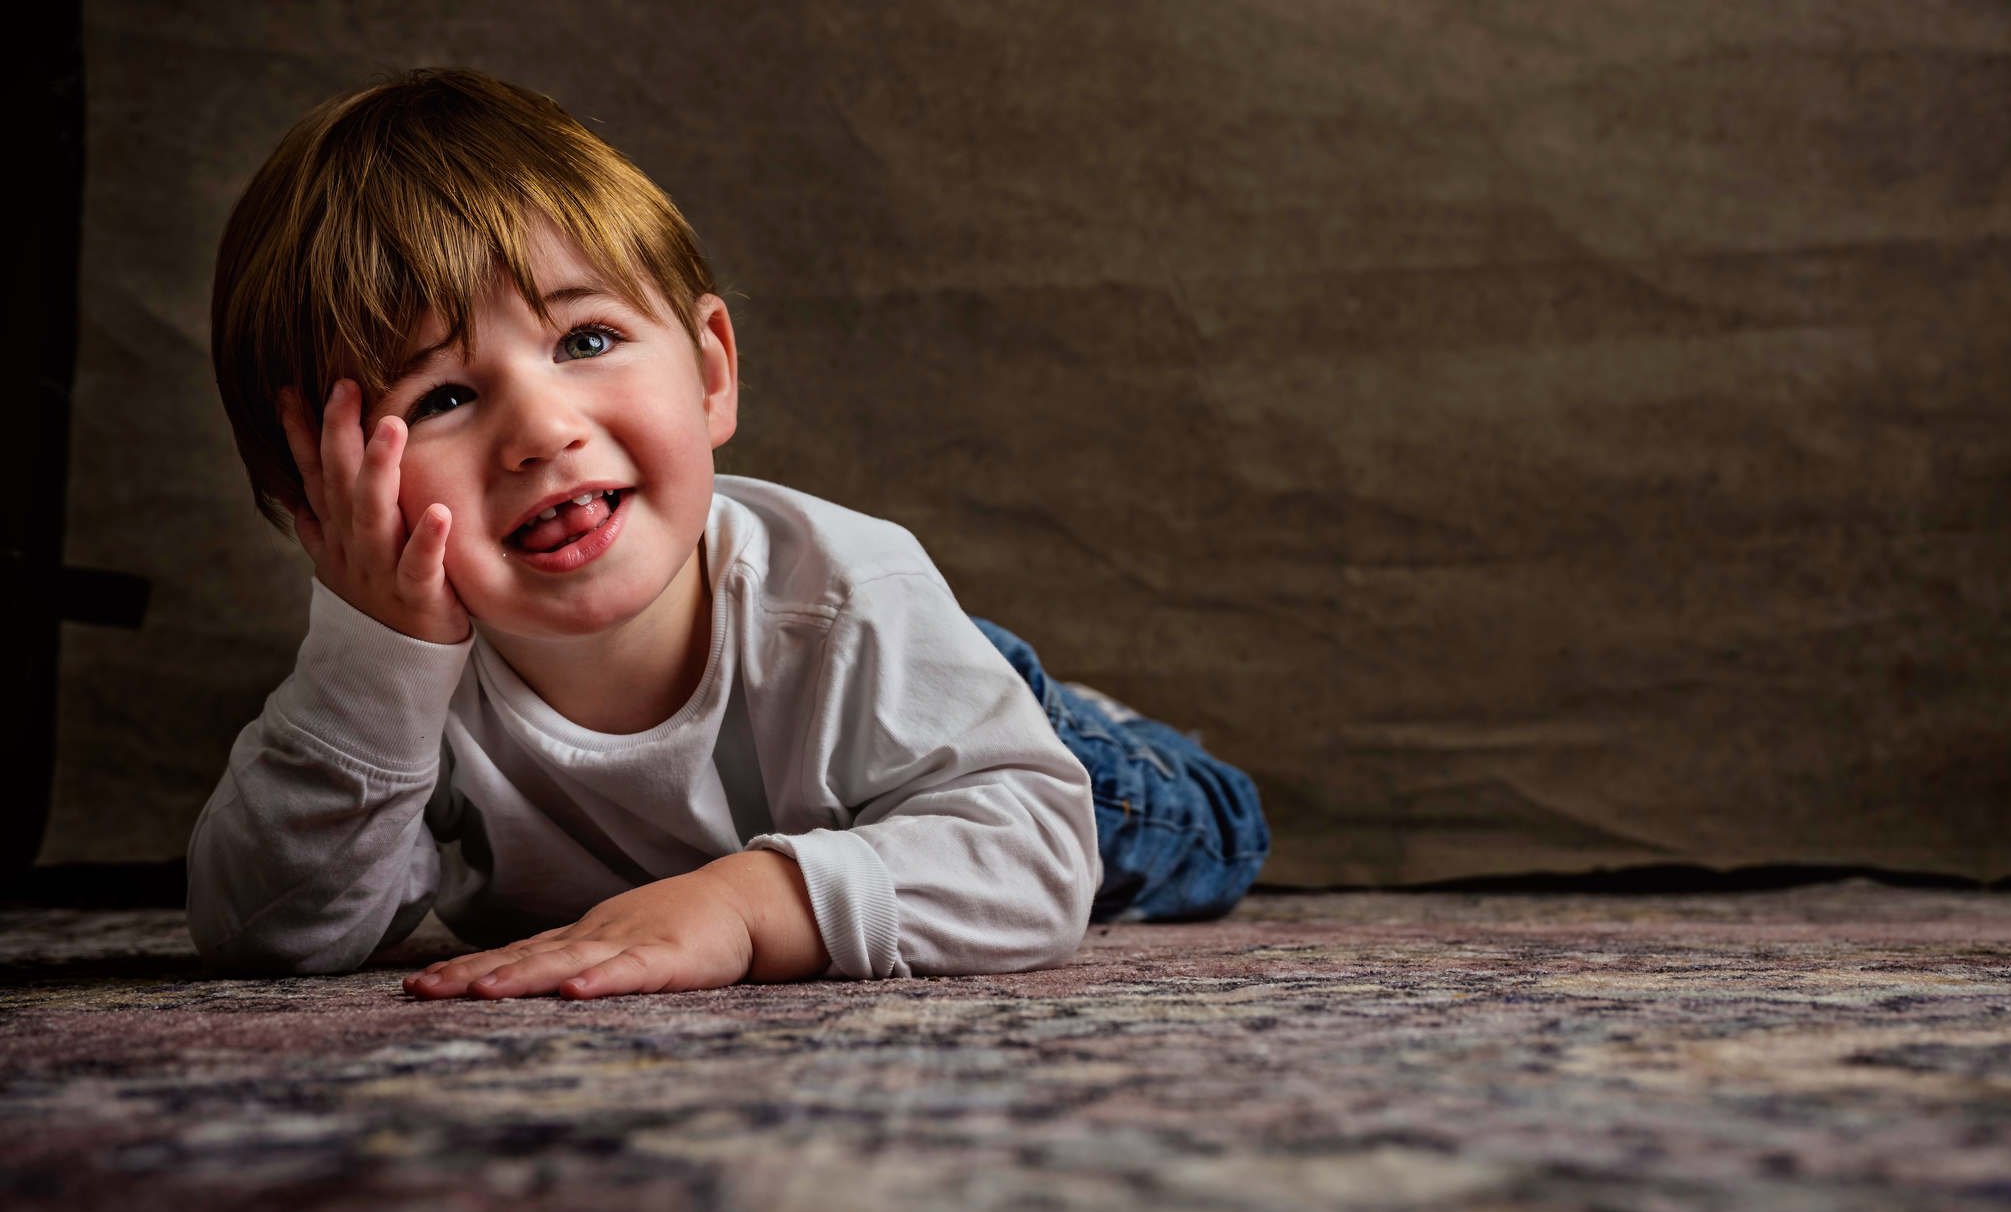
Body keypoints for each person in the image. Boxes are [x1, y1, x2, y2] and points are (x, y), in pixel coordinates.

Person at [187, 68, 1268, 998]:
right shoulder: (391, 692)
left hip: (929, 739)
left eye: (588, 336)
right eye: (441, 400)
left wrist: (748, 904)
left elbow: (1034, 855)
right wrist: (381, 656)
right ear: (317, 506)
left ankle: (1037, 700)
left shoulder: (840, 593)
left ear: (709, 370)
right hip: (808, 748)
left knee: (1208, 834)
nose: (541, 431)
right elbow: (274, 931)